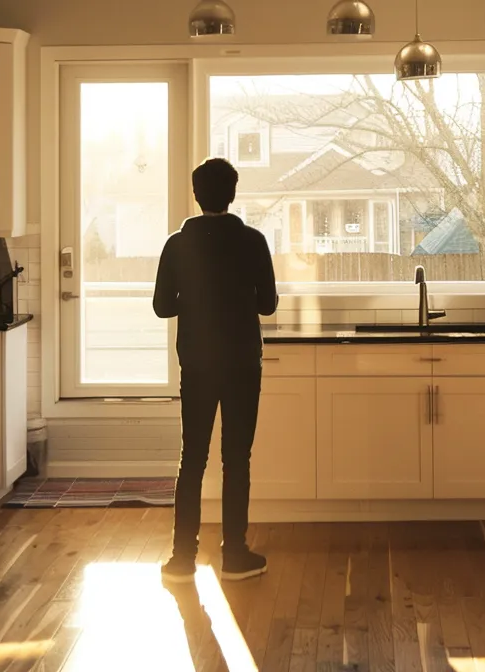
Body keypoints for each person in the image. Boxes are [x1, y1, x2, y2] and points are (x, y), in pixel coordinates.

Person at [152, 158, 279, 584]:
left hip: (198, 362)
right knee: (235, 459)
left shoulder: (177, 244)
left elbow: (162, 307)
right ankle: (235, 555)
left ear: (196, 194)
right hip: (243, 362)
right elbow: (268, 305)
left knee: (193, 458)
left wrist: (195, 299)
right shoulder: (253, 241)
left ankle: (182, 558)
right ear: (233, 193)